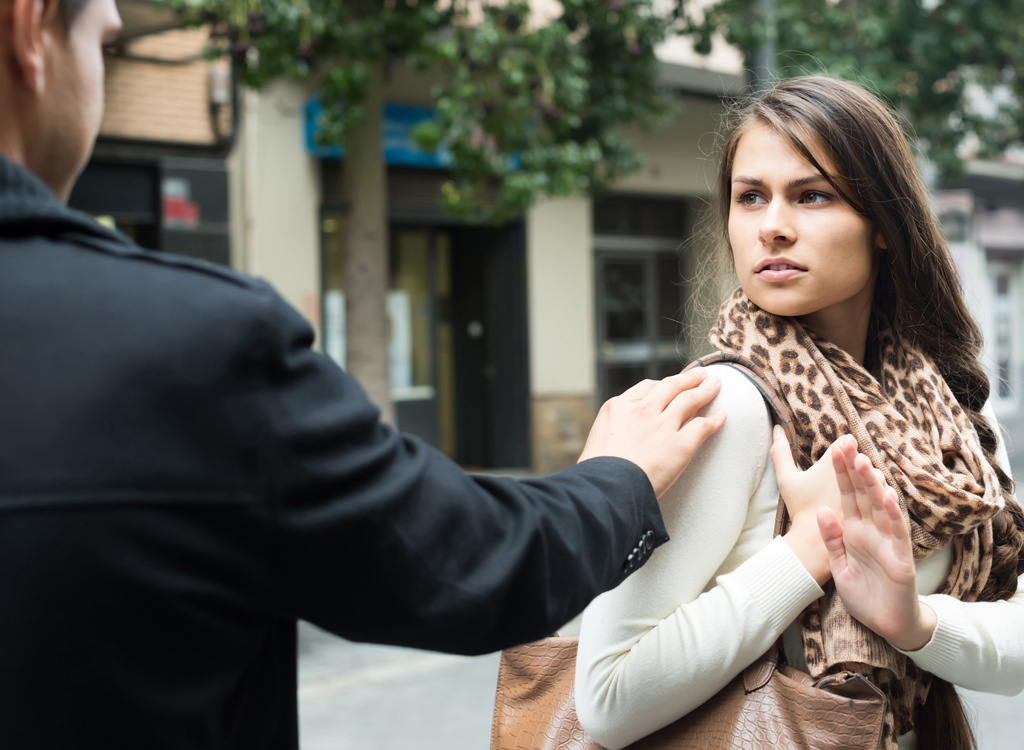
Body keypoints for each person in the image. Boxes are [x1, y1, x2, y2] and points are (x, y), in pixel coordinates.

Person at [0, 0, 729, 747]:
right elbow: (474, 564)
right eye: (101, 39)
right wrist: (618, 478)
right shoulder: (192, 344)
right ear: (32, 28)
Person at [575, 75, 1024, 750]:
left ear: (883, 224)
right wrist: (806, 550)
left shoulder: (950, 418)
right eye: (749, 197)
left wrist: (913, 623)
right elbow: (606, 697)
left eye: (812, 195)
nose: (772, 226)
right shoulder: (727, 408)